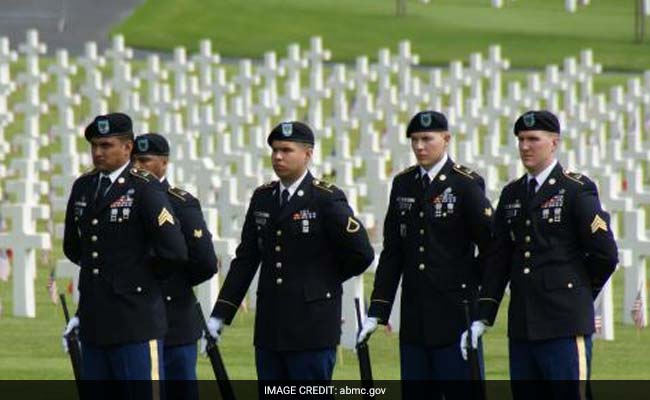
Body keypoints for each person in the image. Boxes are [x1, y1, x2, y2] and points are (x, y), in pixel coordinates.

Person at [461, 110, 618, 400]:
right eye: (521, 139)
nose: (525, 146)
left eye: (533, 139)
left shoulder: (575, 189)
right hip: (523, 326)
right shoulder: (512, 194)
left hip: (564, 324)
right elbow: (499, 260)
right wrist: (484, 315)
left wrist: (578, 292)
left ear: (554, 143)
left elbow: (605, 254)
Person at [206, 121, 374, 381]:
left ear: (308, 154)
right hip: (270, 328)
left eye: (286, 150)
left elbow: (362, 253)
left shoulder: (325, 198)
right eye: (274, 150)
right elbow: (246, 259)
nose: (278, 157)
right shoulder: (263, 197)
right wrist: (220, 313)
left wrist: (323, 281)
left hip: (312, 327)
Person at [358, 110, 493, 398]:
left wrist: (471, 287)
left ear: (446, 139)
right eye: (415, 140)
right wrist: (377, 310)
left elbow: (491, 246)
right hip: (415, 318)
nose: (419, 146)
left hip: (455, 316)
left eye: (427, 139)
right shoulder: (403, 183)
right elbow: (393, 252)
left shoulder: (465, 183)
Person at [62, 113, 187, 397]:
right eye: (94, 145)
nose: (98, 152)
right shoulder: (84, 186)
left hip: (136, 321)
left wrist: (139, 279)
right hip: (95, 321)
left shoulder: (144, 186)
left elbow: (174, 251)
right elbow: (74, 247)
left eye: (106, 145)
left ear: (127, 147)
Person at [133, 133, 218, 399]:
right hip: (132, 320)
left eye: (145, 160)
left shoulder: (180, 203)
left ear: (164, 163)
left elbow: (205, 262)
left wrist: (172, 282)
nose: (138, 166)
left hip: (174, 320)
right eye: (134, 160)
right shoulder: (124, 202)